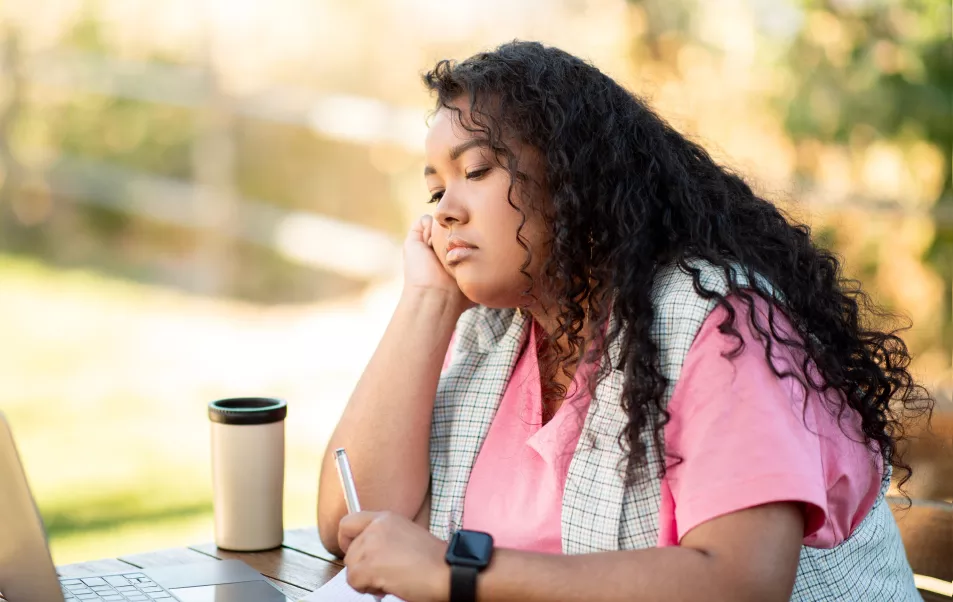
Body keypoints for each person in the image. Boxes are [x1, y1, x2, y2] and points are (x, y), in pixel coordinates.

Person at [316, 41, 931, 602]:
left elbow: (740, 583)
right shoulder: (496, 334)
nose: (445, 211)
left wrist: (459, 573)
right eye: (434, 192)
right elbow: (357, 524)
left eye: (476, 171)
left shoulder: (718, 325)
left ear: (571, 175)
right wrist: (426, 303)